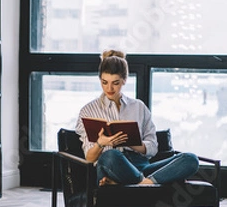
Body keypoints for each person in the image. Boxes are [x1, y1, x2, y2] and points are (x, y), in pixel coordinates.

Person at [75, 49, 199, 186]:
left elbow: (152, 148)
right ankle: (148, 182)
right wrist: (101, 143)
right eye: (104, 82)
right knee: (110, 156)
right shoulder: (88, 111)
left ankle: (142, 183)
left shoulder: (139, 107)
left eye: (115, 83)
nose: (109, 88)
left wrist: (133, 143)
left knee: (190, 159)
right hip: (112, 166)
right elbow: (89, 158)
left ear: (124, 80)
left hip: (142, 166)